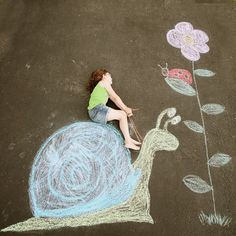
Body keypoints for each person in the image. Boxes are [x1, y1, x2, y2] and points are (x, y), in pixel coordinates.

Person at [87, 69, 141, 150]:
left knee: (122, 114)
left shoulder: (102, 88)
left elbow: (116, 101)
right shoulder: (103, 82)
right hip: (97, 109)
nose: (111, 77)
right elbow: (116, 97)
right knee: (122, 114)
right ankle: (128, 141)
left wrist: (125, 109)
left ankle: (128, 139)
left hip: (94, 113)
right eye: (109, 75)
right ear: (103, 76)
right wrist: (126, 109)